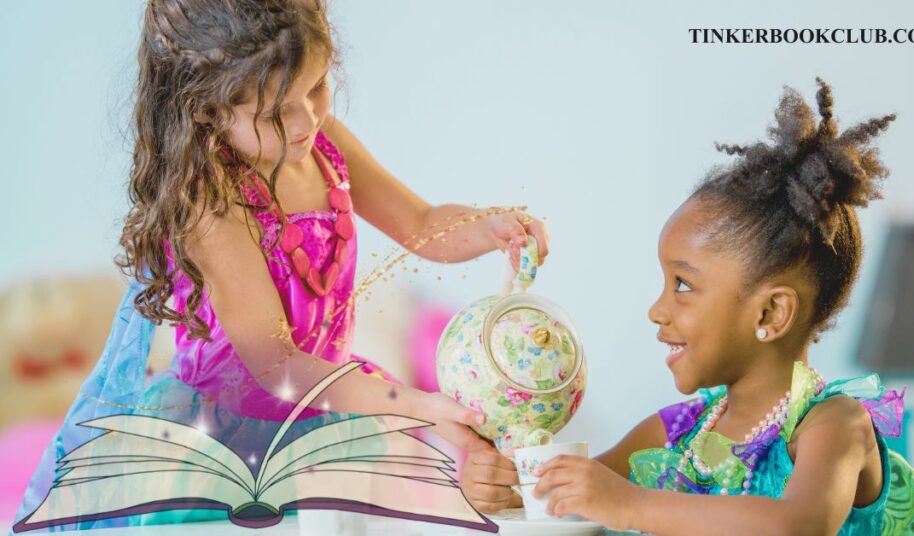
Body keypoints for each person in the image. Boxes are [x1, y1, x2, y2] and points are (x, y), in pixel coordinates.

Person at [15, 0, 548, 530]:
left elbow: (421, 221)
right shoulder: (211, 199)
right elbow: (276, 365)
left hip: (324, 409)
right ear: (208, 108)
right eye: (277, 110)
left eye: (316, 87)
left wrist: (487, 226)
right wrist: (414, 404)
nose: (307, 119)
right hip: (218, 443)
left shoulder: (324, 145)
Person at [461, 79, 914, 535]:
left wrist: (631, 504)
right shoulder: (673, 433)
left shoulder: (834, 426)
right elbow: (568, 506)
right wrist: (501, 489)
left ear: (770, 315)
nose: (656, 310)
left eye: (682, 285)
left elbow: (797, 528)